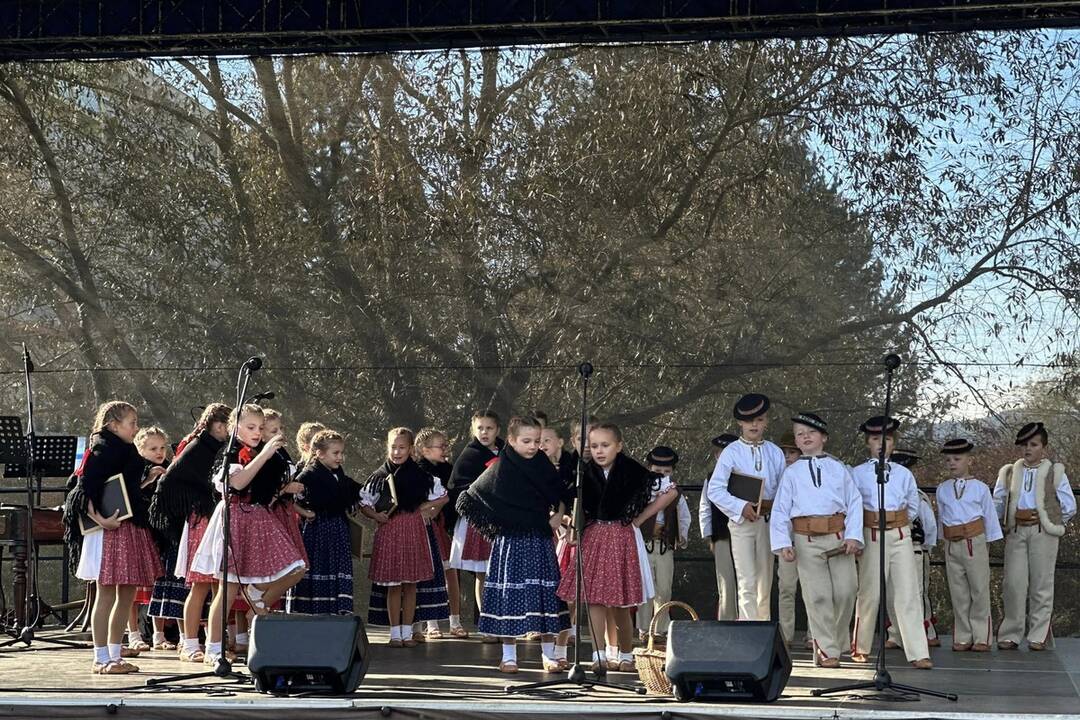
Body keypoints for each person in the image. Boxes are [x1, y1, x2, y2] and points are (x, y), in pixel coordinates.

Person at [189, 404, 307, 666]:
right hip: (234, 518)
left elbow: (269, 488)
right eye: (251, 427)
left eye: (260, 428)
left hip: (258, 517)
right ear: (235, 427)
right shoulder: (230, 452)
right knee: (227, 589)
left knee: (296, 566)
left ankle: (256, 592)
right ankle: (213, 648)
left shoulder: (261, 453)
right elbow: (237, 483)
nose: (257, 432)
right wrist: (264, 454)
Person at [556, 423, 676, 674]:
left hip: (621, 537)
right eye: (594, 446)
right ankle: (598, 654)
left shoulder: (631, 470)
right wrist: (573, 526)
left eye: (605, 445)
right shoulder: (585, 472)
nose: (599, 451)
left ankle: (625, 653)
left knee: (621, 602)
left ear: (619, 446)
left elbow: (669, 491)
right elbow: (572, 503)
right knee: (595, 599)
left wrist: (640, 519)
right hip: (594, 537)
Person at [457, 416, 571, 674]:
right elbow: (471, 497)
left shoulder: (544, 466)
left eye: (538, 441)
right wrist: (497, 524)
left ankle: (548, 654)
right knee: (510, 595)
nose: (533, 446)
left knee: (545, 596)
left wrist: (557, 513)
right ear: (511, 440)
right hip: (510, 542)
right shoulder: (502, 468)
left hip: (540, 539)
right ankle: (509, 656)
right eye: (526, 441)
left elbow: (560, 495)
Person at [65, 401, 163, 674]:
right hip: (110, 530)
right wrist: (101, 520)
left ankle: (114, 655)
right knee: (107, 592)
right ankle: (100, 658)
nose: (136, 427)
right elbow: (83, 490)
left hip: (127, 524)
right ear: (113, 424)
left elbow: (121, 489)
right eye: (131, 422)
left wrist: (145, 481)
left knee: (127, 592)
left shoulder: (125, 449)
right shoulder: (102, 448)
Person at [770, 413, 862, 668]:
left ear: (824, 437)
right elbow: (780, 510)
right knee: (818, 596)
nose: (805, 437)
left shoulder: (839, 468)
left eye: (810, 432)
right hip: (806, 539)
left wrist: (854, 535)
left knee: (846, 592)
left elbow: (855, 503)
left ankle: (833, 641)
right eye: (800, 434)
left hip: (838, 539)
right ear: (796, 442)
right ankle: (827, 650)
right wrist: (783, 544)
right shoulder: (791, 473)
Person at [850, 416, 932, 670]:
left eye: (885, 439)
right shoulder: (858, 473)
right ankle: (861, 646)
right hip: (872, 532)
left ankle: (918, 651)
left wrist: (900, 523)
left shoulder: (903, 473)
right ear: (868, 443)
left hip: (899, 533)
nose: (880, 444)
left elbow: (913, 504)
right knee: (869, 593)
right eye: (875, 439)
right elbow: (853, 505)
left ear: (893, 443)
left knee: (907, 592)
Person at [152, 403, 231, 662]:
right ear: (215, 424)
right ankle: (189, 644)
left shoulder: (220, 449)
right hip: (201, 520)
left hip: (216, 520)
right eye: (224, 425)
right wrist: (196, 502)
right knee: (200, 585)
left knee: (219, 585)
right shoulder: (198, 447)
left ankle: (213, 643)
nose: (226, 430)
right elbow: (171, 481)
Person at [361, 427, 448, 647]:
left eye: (401, 447)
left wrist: (424, 508)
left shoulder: (421, 476)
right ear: (387, 447)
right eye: (393, 447)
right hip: (389, 531)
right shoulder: (379, 476)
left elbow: (444, 497)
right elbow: (365, 504)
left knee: (410, 584)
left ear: (410, 449)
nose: (397, 452)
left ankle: (408, 632)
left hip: (413, 530)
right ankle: (395, 633)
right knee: (393, 585)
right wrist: (376, 515)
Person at [994, 422, 1075, 650]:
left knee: (1041, 582)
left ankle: (1038, 635)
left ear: (1044, 447)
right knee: (1013, 583)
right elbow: (998, 501)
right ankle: (1011, 633)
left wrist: (1051, 522)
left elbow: (1069, 505)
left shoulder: (1054, 471)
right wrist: (1000, 525)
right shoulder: (1009, 472)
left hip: (1042, 532)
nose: (1028, 449)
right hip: (1017, 530)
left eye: (1034, 444)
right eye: (1025, 445)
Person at [705, 394, 785, 621]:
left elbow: (784, 490)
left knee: (765, 582)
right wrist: (740, 507)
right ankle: (748, 630)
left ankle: (763, 632)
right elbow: (715, 490)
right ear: (740, 422)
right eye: (749, 420)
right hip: (741, 523)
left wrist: (778, 517)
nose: (754, 425)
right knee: (746, 580)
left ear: (766, 421)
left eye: (759, 419)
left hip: (768, 522)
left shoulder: (775, 451)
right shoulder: (731, 451)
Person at [936, 439, 1003, 652]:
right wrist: (941, 540)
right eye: (948, 460)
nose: (952, 463)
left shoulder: (980, 488)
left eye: (957, 459)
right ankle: (963, 635)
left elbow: (990, 517)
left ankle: (982, 635)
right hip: (951, 542)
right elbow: (942, 516)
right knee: (958, 591)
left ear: (969, 460)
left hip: (974, 541)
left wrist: (988, 542)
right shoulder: (943, 489)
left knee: (979, 588)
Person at [288, 430, 360, 615]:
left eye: (341, 453)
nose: (340, 458)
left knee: (337, 569)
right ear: (319, 453)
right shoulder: (308, 475)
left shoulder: (339, 475)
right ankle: (314, 613)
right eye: (335, 453)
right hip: (317, 531)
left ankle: (337, 612)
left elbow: (356, 492)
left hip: (338, 529)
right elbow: (288, 499)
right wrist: (305, 512)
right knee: (318, 568)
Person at [447, 411, 503, 641]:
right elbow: (457, 487)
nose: (484, 433)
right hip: (478, 522)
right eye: (480, 428)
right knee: (483, 573)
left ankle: (503, 624)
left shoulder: (507, 451)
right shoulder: (469, 455)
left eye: (489, 428)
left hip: (503, 521)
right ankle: (487, 624)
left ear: (497, 430)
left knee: (500, 575)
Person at [885, 447, 939, 649]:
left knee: (917, 592)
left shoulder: (918, 497)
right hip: (892, 546)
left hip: (915, 548)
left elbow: (929, 526)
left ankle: (926, 631)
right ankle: (895, 633)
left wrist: (926, 550)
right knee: (892, 593)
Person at [636, 446, 690, 641]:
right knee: (645, 588)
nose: (662, 475)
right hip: (645, 545)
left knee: (664, 589)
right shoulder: (641, 491)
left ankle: (660, 629)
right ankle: (643, 628)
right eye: (657, 471)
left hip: (664, 546)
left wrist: (681, 536)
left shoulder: (676, 494)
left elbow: (684, 517)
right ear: (649, 469)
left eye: (666, 472)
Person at [132, 426, 178, 652]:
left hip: (163, 534)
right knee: (133, 586)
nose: (159, 452)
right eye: (153, 449)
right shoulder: (136, 469)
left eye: (162, 448)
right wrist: (148, 479)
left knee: (159, 583)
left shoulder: (169, 468)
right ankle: (133, 633)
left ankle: (159, 634)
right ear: (140, 449)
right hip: (141, 530)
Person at [414, 428, 462, 638]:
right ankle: (431, 623)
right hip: (425, 528)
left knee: (450, 572)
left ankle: (455, 621)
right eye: (440, 446)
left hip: (445, 527)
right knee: (430, 573)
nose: (445, 450)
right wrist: (432, 507)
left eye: (446, 445)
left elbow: (453, 497)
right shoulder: (417, 473)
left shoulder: (450, 470)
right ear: (425, 450)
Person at [699, 434, 738, 621]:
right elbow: (705, 507)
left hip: (747, 534)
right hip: (722, 536)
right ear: (716, 455)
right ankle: (727, 622)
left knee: (749, 582)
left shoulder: (747, 477)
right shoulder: (711, 478)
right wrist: (709, 536)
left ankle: (750, 622)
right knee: (726, 582)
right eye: (722, 454)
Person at [775, 431, 806, 647]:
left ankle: (815, 636)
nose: (787, 456)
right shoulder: (777, 479)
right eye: (784, 452)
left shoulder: (809, 475)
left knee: (814, 591)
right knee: (786, 588)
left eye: (792, 452)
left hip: (810, 538)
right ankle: (786, 635)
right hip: (786, 541)